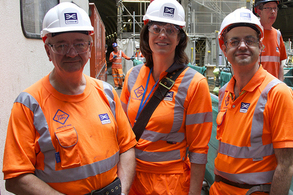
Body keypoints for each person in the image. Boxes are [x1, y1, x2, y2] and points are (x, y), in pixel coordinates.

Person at [2, 2, 137, 195]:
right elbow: (15, 177)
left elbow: (127, 147)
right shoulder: (29, 104)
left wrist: (122, 191)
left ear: (89, 48)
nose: (72, 52)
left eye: (79, 44)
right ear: (48, 50)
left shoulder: (106, 93)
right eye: (61, 45)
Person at [120, 0, 213, 194]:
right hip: (132, 178)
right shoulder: (133, 76)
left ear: (179, 38)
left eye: (171, 30)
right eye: (156, 28)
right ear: (147, 33)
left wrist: (194, 192)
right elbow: (121, 133)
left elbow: (199, 149)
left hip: (171, 184)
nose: (163, 35)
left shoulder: (195, 84)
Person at [209, 8, 293, 195]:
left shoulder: (278, 94)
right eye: (234, 41)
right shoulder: (226, 91)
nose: (242, 46)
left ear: (261, 46)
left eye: (249, 40)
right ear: (224, 48)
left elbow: (287, 164)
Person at [254, 0, 287, 81]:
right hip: (256, 89)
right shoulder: (252, 34)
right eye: (268, 8)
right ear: (259, 11)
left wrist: (280, 85)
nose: (273, 12)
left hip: (274, 89)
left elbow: (280, 65)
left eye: (275, 8)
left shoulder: (278, 34)